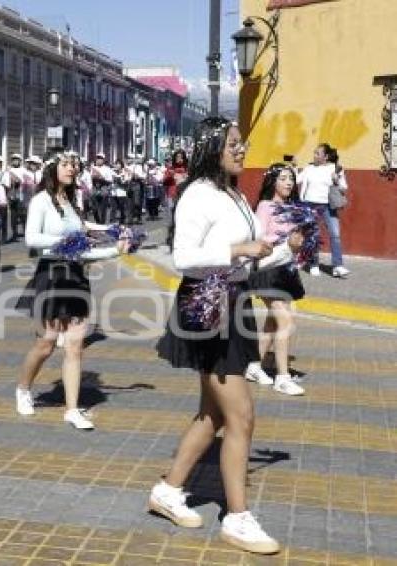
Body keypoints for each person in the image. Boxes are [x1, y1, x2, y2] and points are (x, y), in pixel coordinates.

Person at [152, 117, 302, 555]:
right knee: (241, 417)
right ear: (213, 146)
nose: (241, 149)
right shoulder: (198, 193)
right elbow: (183, 257)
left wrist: (282, 248)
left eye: (242, 143)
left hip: (233, 302)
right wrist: (237, 249)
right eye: (233, 143)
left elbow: (248, 260)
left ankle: (168, 490)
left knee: (214, 415)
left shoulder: (233, 192)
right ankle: (236, 518)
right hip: (207, 307)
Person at [15, 152, 129, 430]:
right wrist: (67, 241)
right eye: (66, 165)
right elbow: (32, 239)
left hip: (76, 278)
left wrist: (115, 247)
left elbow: (83, 248)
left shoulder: (73, 202)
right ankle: (23, 389)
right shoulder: (41, 200)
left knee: (75, 346)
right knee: (46, 344)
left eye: (74, 166)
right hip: (52, 277)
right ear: (53, 169)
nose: (72, 169)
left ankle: (71, 409)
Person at [247, 164, 306, 396]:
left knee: (274, 322)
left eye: (291, 179)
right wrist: (283, 244)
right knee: (285, 321)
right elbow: (259, 240)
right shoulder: (265, 206)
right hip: (268, 269)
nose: (289, 183)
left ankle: (254, 365)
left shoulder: (292, 208)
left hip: (285, 270)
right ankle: (282, 377)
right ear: (272, 182)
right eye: (283, 178)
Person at [297, 143, 349, 277]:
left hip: (327, 206)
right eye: (314, 153)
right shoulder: (309, 168)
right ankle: (314, 264)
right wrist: (294, 168)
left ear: (325, 157)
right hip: (310, 204)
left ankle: (338, 266)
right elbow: (297, 180)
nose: (314, 155)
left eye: (317, 153)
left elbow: (344, 188)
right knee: (313, 235)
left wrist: (336, 179)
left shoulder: (335, 168)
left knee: (335, 234)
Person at [90, 153, 113, 224]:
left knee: (103, 207)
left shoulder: (107, 169)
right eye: (97, 159)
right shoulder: (93, 168)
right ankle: (97, 221)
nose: (98, 160)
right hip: (95, 187)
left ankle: (102, 222)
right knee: (94, 207)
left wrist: (102, 178)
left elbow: (110, 180)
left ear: (103, 160)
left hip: (104, 187)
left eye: (100, 159)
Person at [110, 159, 131, 225]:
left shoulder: (124, 172)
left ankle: (122, 220)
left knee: (122, 208)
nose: (117, 165)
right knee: (113, 207)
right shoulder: (112, 171)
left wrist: (121, 181)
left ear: (121, 165)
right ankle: (112, 221)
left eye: (119, 164)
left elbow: (127, 180)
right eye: (116, 164)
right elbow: (109, 179)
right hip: (114, 192)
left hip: (121, 192)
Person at [127, 158, 147, 224]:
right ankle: (130, 219)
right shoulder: (130, 167)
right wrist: (130, 176)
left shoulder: (143, 167)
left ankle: (138, 217)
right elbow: (126, 176)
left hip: (139, 185)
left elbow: (144, 177)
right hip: (130, 185)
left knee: (137, 203)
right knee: (130, 202)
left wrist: (138, 176)